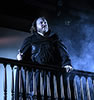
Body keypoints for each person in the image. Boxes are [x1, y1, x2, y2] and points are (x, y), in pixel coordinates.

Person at [16, 16, 73, 99]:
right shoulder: (29, 40)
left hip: (52, 74)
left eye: (45, 22)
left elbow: (64, 53)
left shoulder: (55, 39)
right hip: (36, 75)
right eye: (41, 22)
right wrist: (20, 58)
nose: (44, 24)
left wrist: (67, 64)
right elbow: (23, 56)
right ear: (35, 26)